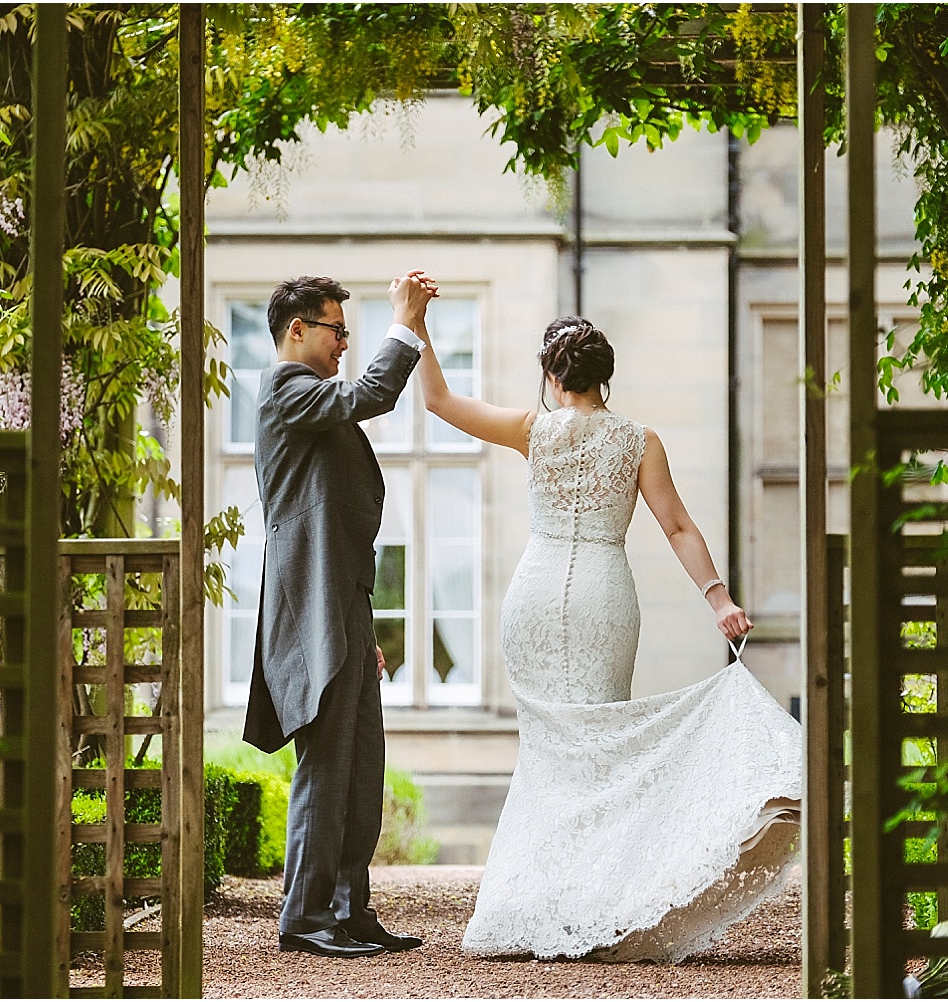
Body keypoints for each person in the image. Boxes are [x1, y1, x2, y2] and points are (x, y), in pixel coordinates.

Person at [410, 313, 803, 962]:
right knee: (599, 749)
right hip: (602, 594)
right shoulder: (639, 440)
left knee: (549, 753)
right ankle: (592, 909)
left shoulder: (531, 430)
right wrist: (719, 598)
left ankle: (546, 906)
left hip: (533, 598)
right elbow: (677, 526)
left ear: (552, 376)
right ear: (604, 378)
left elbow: (438, 399)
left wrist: (416, 324)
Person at [243, 272, 438, 958]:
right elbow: (371, 395)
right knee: (326, 767)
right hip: (309, 614)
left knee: (361, 765)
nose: (344, 347)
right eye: (337, 331)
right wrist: (404, 323)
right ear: (297, 330)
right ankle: (304, 917)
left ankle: (351, 911)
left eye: (349, 333)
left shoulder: (310, 400)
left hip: (341, 606)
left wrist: (361, 621)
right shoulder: (284, 389)